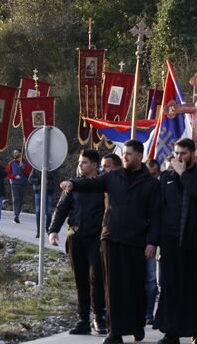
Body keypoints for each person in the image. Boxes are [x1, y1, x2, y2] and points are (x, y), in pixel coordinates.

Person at [60, 139, 160, 344]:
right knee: (111, 286)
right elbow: (91, 183)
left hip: (136, 241)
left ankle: (137, 323)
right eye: (123, 154)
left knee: (134, 286)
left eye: (129, 154)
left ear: (140, 156)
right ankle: (114, 332)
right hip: (111, 238)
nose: (125, 157)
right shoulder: (112, 177)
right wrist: (73, 183)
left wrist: (152, 242)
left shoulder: (150, 183)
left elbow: (156, 215)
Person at [49, 149, 106, 336]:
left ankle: (100, 317)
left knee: (96, 278)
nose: (80, 165)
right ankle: (83, 320)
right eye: (80, 162)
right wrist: (53, 231)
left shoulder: (102, 184)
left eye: (84, 162)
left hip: (97, 238)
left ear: (94, 165)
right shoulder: (72, 186)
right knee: (80, 279)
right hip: (76, 237)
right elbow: (61, 208)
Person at [154, 138, 197, 344]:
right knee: (170, 287)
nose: (179, 158)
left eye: (184, 154)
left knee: (192, 288)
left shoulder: (192, 175)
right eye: (177, 153)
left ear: (193, 154)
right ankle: (171, 332)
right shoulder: (166, 177)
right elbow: (159, 210)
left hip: (192, 242)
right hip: (170, 241)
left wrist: (183, 174)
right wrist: (154, 240)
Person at [144, 158, 160, 326]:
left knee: (150, 279)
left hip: (151, 240)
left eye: (154, 175)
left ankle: (149, 313)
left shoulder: (160, 188)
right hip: (134, 239)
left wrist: (153, 241)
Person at [29, 168, 58, 238]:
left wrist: (48, 174)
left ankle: (48, 229)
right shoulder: (36, 167)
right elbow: (30, 179)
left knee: (48, 212)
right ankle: (39, 231)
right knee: (38, 211)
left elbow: (55, 178)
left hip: (48, 191)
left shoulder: (52, 167)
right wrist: (39, 180)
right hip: (38, 191)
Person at [6, 149, 31, 224]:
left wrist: (23, 168)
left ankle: (18, 214)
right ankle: (16, 216)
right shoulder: (11, 163)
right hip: (14, 184)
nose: (15, 154)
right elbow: (7, 173)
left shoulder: (26, 163)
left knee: (20, 201)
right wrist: (14, 177)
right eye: (14, 152)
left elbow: (29, 174)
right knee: (16, 199)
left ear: (20, 153)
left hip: (23, 184)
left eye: (16, 152)